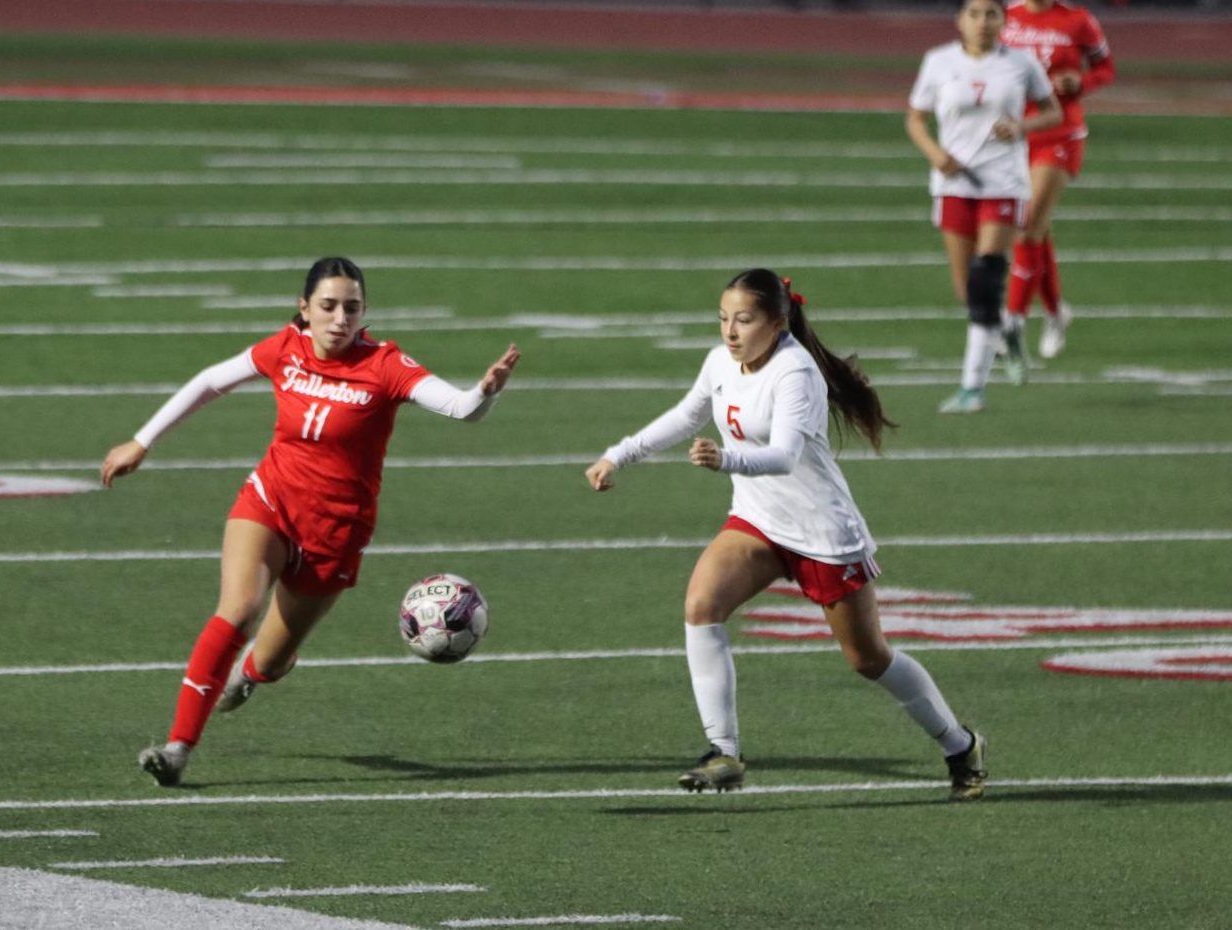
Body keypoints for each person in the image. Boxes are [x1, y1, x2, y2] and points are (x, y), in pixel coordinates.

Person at [101, 257, 521, 787]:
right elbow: (212, 381)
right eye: (328, 306)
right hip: (270, 500)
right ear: (304, 310)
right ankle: (178, 749)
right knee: (237, 611)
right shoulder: (285, 348)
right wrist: (143, 440)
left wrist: (487, 389)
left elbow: (461, 408)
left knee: (270, 663)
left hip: (336, 533)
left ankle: (253, 672)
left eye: (352, 307)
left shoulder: (385, 364)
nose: (340, 318)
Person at [584, 269, 987, 801]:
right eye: (724, 319)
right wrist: (619, 454)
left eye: (744, 320)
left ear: (777, 322)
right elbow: (687, 415)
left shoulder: (796, 372)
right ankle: (723, 751)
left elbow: (784, 455)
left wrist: (724, 457)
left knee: (869, 660)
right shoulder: (720, 361)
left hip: (821, 534)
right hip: (757, 522)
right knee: (701, 605)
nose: (730, 331)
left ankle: (961, 745)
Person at [906, 0, 1062, 413]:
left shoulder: (1021, 63)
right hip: (953, 184)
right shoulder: (938, 62)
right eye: (974, 14)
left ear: (1003, 21)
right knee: (968, 293)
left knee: (985, 276)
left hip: (1003, 181)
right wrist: (935, 154)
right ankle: (1006, 330)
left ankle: (972, 388)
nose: (982, 22)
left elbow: (1052, 112)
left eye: (992, 14)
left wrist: (1020, 126)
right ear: (959, 20)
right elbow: (915, 118)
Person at [1001, 0, 1115, 361]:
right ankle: (1055, 313)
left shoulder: (1078, 20)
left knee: (1029, 223)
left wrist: (1081, 81)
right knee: (1038, 229)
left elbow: (1105, 67)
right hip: (1018, 133)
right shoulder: (1006, 16)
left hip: (1060, 133)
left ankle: (1012, 324)